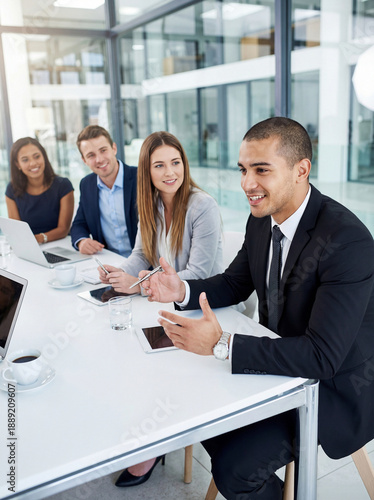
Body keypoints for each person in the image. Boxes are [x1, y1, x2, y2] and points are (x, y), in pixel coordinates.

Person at [141, 117, 374, 500]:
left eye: (261, 169)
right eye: (243, 170)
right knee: (199, 419)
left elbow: (322, 356)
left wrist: (223, 344)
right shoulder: (261, 219)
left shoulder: (347, 240)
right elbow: (234, 283)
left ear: (301, 170)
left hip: (334, 385)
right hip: (277, 361)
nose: (247, 183)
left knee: (237, 469)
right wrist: (179, 289)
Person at [98, 131, 223, 487]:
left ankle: (155, 442)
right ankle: (147, 433)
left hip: (206, 308)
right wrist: (122, 273)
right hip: (167, 303)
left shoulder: (203, 206)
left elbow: (198, 274)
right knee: (125, 351)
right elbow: (143, 254)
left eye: (175, 162)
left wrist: (140, 284)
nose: (170, 172)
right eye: (159, 165)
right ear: (147, 172)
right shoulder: (151, 204)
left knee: (151, 363)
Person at [70, 125, 137, 257]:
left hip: (146, 266)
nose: (99, 159)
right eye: (91, 155)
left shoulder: (141, 177)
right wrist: (82, 241)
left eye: (103, 150)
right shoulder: (87, 184)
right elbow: (79, 224)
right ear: (84, 160)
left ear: (114, 148)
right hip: (109, 262)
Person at [5, 137, 74, 244]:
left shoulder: (63, 186)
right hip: (29, 246)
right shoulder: (12, 189)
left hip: (61, 244)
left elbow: (63, 229)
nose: (33, 163)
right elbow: (17, 231)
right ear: (18, 164)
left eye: (37, 157)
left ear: (44, 157)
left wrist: (39, 239)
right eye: (25, 160)